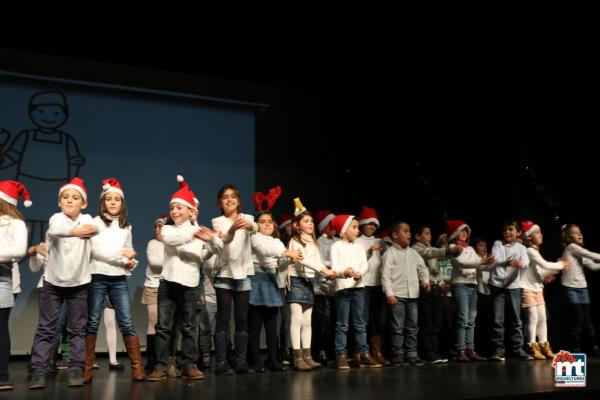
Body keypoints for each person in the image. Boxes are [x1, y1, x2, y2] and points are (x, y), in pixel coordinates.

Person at [146, 176, 222, 381]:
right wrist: (195, 235)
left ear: (191, 211)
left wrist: (213, 240)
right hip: (168, 284)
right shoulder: (169, 228)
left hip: (190, 285)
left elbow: (211, 252)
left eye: (180, 207)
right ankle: (160, 366)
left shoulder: (199, 231)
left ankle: (189, 364)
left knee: (190, 327)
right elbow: (171, 239)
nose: (175, 211)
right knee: (163, 327)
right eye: (172, 208)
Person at [29, 177, 97, 389]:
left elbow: (97, 233)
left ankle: (75, 369)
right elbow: (55, 230)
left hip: (79, 284)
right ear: (59, 202)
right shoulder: (56, 218)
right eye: (65, 197)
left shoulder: (89, 220)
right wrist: (76, 232)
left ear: (83, 203)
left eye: (75, 197)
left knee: (77, 329)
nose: (69, 200)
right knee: (46, 328)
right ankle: (39, 370)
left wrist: (123, 258)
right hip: (53, 283)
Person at [83, 178, 143, 383]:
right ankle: (87, 369)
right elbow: (96, 251)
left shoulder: (126, 227)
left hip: (118, 279)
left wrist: (129, 262)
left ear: (122, 203)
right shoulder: (95, 222)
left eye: (117, 199)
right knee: (92, 321)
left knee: (126, 321)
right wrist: (122, 254)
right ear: (103, 202)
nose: (113, 202)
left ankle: (137, 368)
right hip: (98, 276)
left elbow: (128, 254)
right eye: (109, 199)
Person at [211, 184, 257, 374]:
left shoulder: (247, 218)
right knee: (223, 317)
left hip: (243, 274)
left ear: (238, 201)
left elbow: (254, 228)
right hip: (224, 273)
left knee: (241, 318)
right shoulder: (217, 221)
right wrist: (230, 231)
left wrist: (248, 225)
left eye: (233, 197)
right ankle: (221, 362)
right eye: (225, 197)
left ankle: (240, 360)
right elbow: (223, 241)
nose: (229, 199)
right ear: (220, 202)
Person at [330, 214, 381, 369]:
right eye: (353, 227)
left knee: (360, 323)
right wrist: (343, 272)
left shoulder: (358, 246)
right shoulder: (336, 246)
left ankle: (364, 353)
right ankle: (341, 355)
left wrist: (360, 272)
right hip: (344, 289)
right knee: (342, 324)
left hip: (358, 288)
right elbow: (335, 267)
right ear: (344, 229)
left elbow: (364, 264)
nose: (357, 230)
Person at [382, 220, 430, 367]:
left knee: (412, 327)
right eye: (406, 231)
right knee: (397, 327)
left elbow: (422, 268)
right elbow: (385, 275)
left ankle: (412, 354)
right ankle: (398, 354)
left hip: (413, 295)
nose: (409, 234)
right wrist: (389, 293)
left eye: (409, 231)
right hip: (398, 295)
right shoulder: (389, 254)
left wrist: (425, 281)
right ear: (395, 235)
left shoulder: (413, 253)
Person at [520, 221, 569, 359]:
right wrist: (559, 265)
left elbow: (542, 272)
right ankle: (531, 345)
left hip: (537, 288)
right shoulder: (529, 251)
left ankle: (544, 345)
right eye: (537, 232)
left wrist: (559, 267)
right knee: (533, 318)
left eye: (540, 232)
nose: (541, 235)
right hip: (527, 288)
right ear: (528, 237)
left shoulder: (535, 251)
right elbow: (545, 264)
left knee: (542, 318)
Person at [0, 180, 30, 390]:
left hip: (4, 281)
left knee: (0, 327)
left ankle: (2, 374)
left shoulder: (16, 224)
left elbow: (18, 252)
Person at [489, 219, 532, 361]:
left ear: (518, 232)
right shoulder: (497, 243)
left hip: (513, 286)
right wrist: (504, 262)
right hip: (497, 286)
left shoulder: (521, 248)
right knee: (498, 319)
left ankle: (517, 348)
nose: (507, 232)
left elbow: (526, 262)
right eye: (505, 230)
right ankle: (498, 350)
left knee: (516, 318)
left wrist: (520, 263)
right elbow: (494, 259)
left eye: (511, 229)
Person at [560, 224, 600, 356]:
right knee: (578, 319)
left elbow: (593, 266)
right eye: (575, 233)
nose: (579, 234)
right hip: (571, 287)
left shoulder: (579, 252)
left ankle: (593, 348)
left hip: (583, 288)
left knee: (587, 321)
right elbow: (590, 254)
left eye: (580, 232)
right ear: (568, 236)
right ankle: (575, 349)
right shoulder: (571, 247)